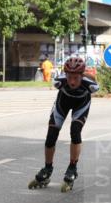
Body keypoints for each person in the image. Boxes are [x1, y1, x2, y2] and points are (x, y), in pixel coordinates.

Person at [28, 56, 99, 192]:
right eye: (69, 77)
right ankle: (47, 168)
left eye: (76, 78)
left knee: (75, 131)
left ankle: (72, 167)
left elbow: (91, 81)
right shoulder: (58, 82)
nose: (72, 81)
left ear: (82, 75)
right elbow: (63, 83)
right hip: (62, 103)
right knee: (51, 136)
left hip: (81, 105)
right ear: (65, 74)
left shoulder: (91, 85)